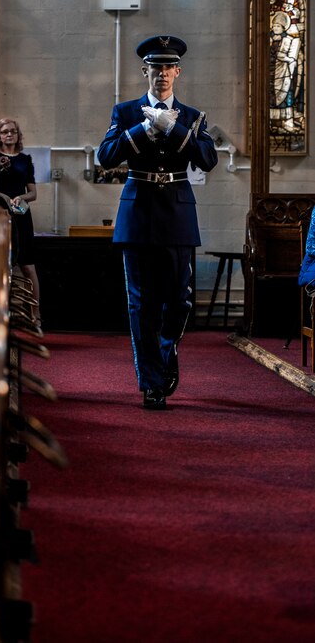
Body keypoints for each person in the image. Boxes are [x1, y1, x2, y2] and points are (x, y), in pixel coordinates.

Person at [98, 34, 218, 409]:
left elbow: (208, 159)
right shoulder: (126, 112)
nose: (161, 74)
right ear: (144, 72)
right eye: (155, 68)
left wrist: (173, 129)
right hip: (138, 214)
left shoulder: (194, 117)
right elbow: (105, 156)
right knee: (141, 303)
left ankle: (167, 352)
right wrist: (145, 130)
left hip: (178, 214)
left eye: (168, 67)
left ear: (177, 72)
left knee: (179, 303)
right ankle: (150, 381)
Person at [0, 117, 42, 329]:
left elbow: (33, 193)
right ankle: (2, 317)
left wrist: (20, 197)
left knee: (27, 266)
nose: (9, 135)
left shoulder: (26, 160)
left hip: (22, 216)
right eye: (5, 131)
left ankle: (36, 315)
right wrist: (3, 197)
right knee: (1, 267)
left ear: (18, 134)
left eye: (13, 131)